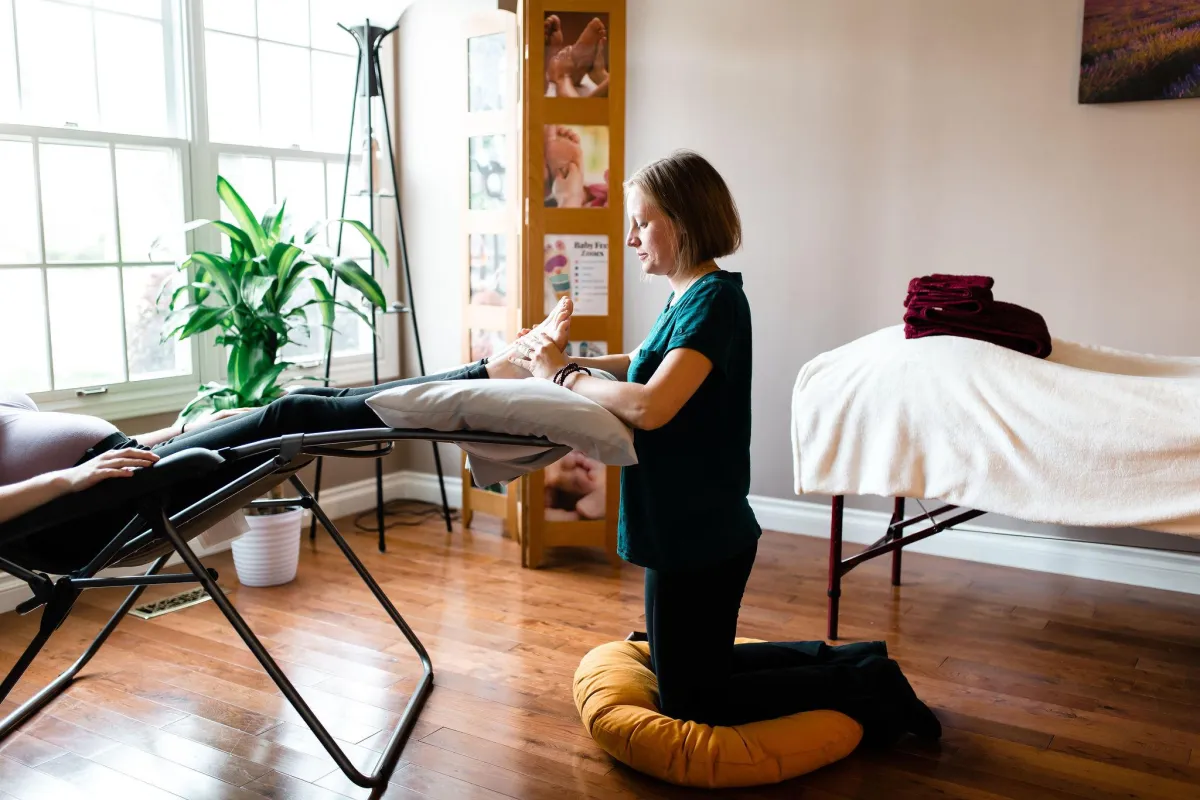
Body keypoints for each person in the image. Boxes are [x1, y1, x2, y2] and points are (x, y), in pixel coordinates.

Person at [510, 149, 941, 746]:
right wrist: (560, 360)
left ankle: (868, 686)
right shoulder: (686, 298)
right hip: (676, 526)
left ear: (682, 223)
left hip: (702, 536)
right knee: (680, 675)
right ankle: (858, 661)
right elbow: (642, 362)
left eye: (642, 221)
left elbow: (650, 404)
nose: (631, 238)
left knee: (694, 702)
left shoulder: (715, 300)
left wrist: (562, 375)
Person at [0, 299, 576, 563]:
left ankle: (492, 373)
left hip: (123, 469)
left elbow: (95, 450)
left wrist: (185, 428)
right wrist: (70, 480)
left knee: (310, 402)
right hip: (91, 511)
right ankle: (492, 372)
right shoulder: (72, 487)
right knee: (293, 415)